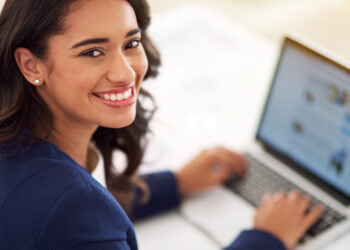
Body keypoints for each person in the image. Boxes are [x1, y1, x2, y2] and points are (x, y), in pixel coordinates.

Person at [0, 0, 324, 249]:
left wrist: (176, 183)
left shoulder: (20, 146)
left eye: (130, 43)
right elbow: (71, 214)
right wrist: (266, 238)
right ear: (31, 65)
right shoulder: (69, 204)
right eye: (93, 51)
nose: (125, 73)